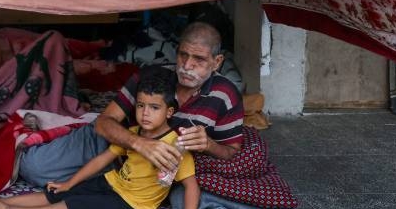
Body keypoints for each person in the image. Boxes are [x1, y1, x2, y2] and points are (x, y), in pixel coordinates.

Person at [0, 70, 200, 209]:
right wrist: (69, 182)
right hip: (112, 182)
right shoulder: (133, 134)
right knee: (58, 191)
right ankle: (0, 202)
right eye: (141, 106)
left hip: (131, 203)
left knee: (72, 205)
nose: (145, 113)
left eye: (154, 108)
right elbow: (102, 159)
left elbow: (191, 186)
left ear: (169, 112)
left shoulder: (176, 146)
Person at [17, 21, 242, 187]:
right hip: (112, 146)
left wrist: (209, 145)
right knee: (33, 168)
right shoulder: (152, 76)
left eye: (199, 59)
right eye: (183, 55)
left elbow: (232, 153)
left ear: (217, 62)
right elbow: (103, 123)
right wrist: (139, 143)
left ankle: (98, 182)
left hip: (145, 172)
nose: (187, 65)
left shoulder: (226, 94)